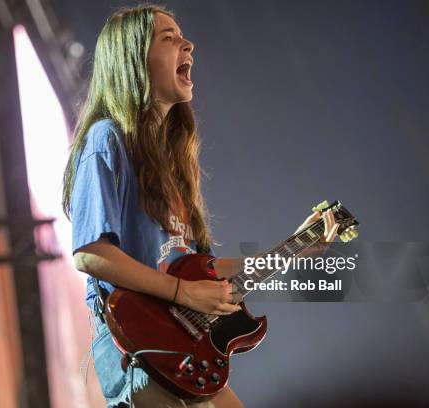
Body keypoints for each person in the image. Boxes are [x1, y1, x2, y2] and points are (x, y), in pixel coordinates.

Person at [62, 5, 339, 407]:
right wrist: (184, 293)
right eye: (168, 38)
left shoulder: (173, 165)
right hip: (138, 350)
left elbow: (200, 270)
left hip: (183, 352)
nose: (188, 44)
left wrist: (295, 247)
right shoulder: (108, 139)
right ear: (133, 59)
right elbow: (90, 254)